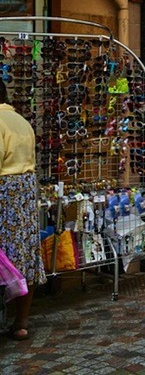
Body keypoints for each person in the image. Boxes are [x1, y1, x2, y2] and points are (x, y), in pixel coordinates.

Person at [0, 80, 44, 340]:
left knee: (3, 255)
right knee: (24, 254)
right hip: (25, 192)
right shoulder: (22, 122)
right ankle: (21, 321)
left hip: (5, 191)